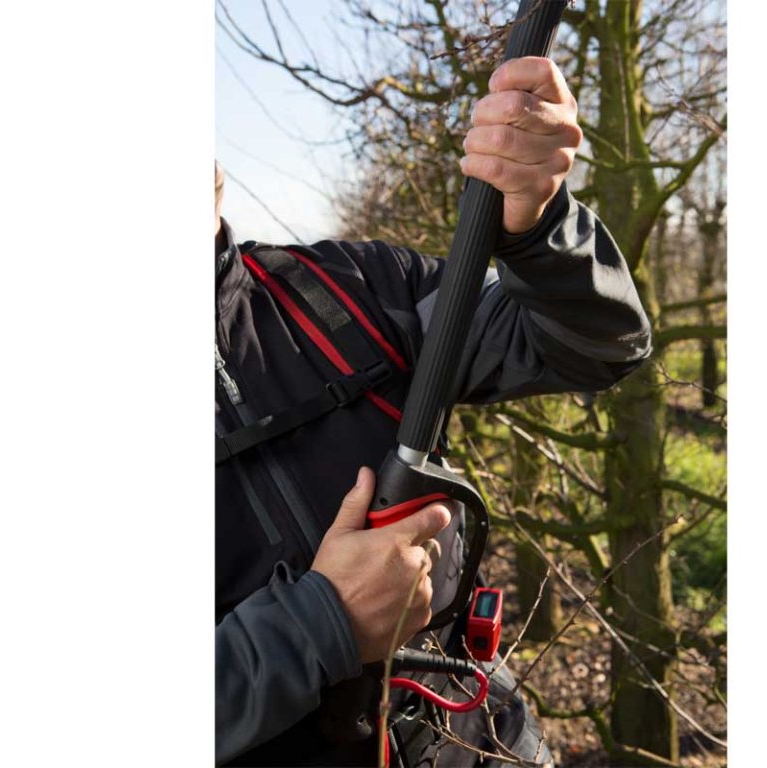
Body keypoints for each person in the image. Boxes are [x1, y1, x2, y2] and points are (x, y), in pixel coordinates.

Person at [215, 56, 652, 766]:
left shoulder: (350, 286)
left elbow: (598, 348)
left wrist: (539, 228)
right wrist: (320, 626)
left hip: (487, 744)